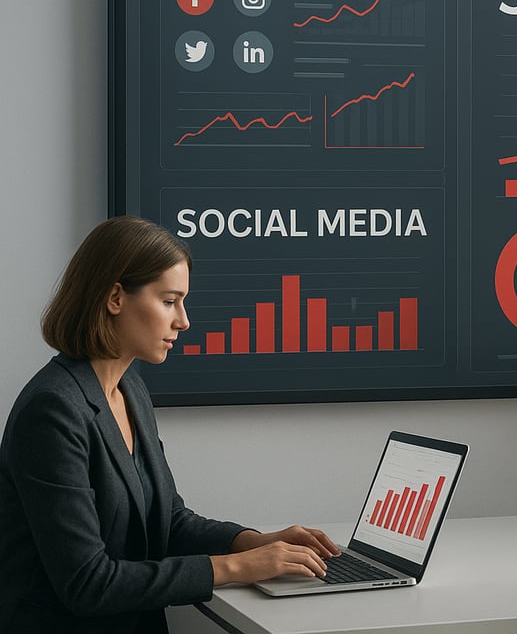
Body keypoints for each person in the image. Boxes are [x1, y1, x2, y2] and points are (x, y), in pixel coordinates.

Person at [0, 216, 339, 633]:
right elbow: (87, 583)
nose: (183, 320)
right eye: (169, 301)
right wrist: (235, 566)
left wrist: (253, 542)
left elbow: (169, 521)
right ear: (115, 298)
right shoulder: (53, 410)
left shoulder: (130, 389)